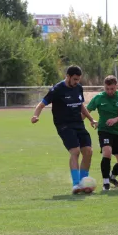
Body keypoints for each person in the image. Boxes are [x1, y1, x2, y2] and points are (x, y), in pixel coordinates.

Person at [31, 65, 98, 194]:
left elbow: (81, 106)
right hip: (64, 125)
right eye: (74, 79)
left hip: (78, 123)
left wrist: (91, 119)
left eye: (78, 79)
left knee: (88, 151)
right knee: (75, 151)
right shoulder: (57, 89)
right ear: (67, 76)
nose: (77, 82)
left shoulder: (78, 88)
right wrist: (35, 115)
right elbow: (42, 104)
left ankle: (84, 183)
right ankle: (76, 185)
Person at [86, 75, 118, 191]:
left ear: (117, 86)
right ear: (104, 87)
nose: (109, 91)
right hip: (104, 130)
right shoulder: (98, 98)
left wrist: (116, 119)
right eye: (107, 89)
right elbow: (86, 111)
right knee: (107, 151)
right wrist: (91, 120)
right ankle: (106, 183)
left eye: (112, 88)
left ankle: (112, 177)